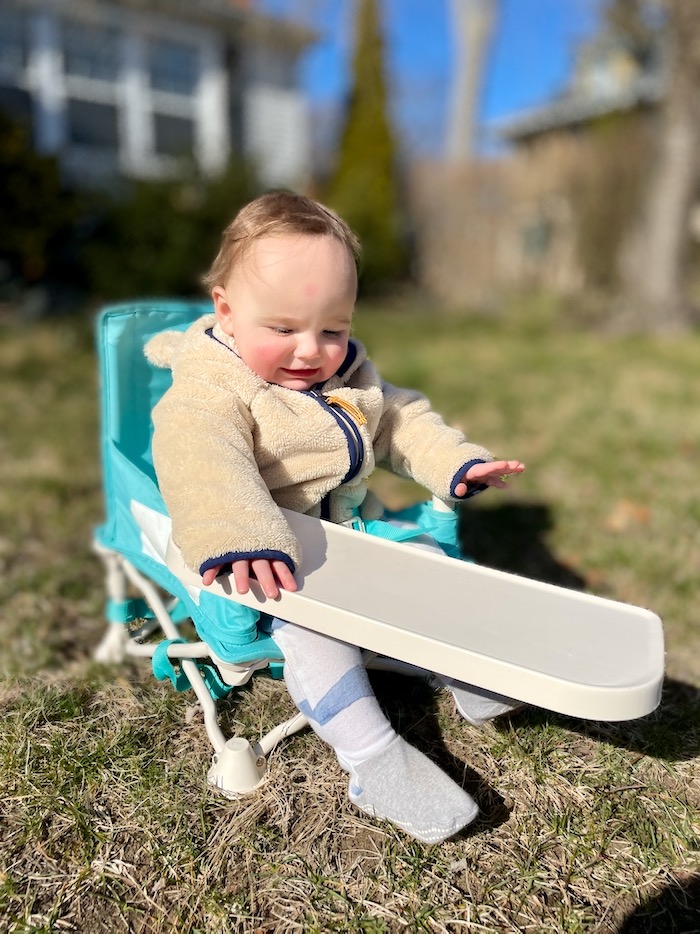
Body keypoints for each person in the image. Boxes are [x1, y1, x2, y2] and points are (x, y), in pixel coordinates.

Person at [145, 191, 525, 844]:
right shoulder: (212, 388)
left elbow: (399, 419)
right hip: (267, 557)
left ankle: (469, 671)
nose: (310, 351)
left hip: (348, 531)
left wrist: (454, 463)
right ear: (227, 312)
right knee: (316, 630)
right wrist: (241, 535)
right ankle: (370, 757)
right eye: (285, 328)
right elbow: (201, 455)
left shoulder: (347, 376)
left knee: (429, 567)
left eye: (333, 329)